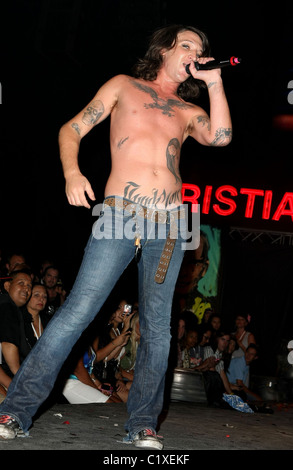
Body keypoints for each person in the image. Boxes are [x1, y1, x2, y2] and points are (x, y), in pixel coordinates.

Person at [0, 24, 232, 449]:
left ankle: (142, 425)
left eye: (200, 50)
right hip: (119, 215)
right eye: (187, 45)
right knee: (77, 312)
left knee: (158, 330)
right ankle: (14, 411)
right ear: (164, 49)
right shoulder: (125, 86)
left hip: (171, 224)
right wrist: (72, 172)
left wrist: (214, 83)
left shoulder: (186, 110)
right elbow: (70, 128)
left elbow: (221, 136)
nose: (195, 53)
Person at [0, 270, 32, 380]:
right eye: (21, 283)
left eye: (29, 286)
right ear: (7, 286)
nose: (27, 289)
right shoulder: (7, 306)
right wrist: (21, 382)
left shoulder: (12, 308)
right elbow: (8, 344)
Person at [21, 283, 51, 349]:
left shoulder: (48, 321)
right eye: (37, 295)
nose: (41, 299)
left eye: (44, 296)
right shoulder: (20, 320)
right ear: (27, 296)